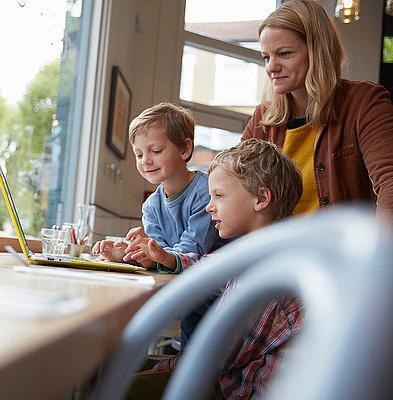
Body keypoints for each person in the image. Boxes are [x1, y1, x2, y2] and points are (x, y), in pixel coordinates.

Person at [125, 138, 304, 399]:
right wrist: (166, 258)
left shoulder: (269, 275)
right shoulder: (253, 252)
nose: (209, 206)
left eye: (219, 196)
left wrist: (149, 371)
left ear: (261, 198)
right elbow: (212, 267)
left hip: (236, 389)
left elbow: (213, 360)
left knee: (115, 386)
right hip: (226, 376)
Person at [242, 0, 393, 221]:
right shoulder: (263, 119)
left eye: (284, 53)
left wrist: (378, 249)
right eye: (267, 57)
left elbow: (389, 183)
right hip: (280, 251)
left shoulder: (364, 103)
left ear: (317, 51)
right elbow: (232, 189)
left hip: (346, 251)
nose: (271, 67)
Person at [92, 102, 222, 268]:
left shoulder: (206, 194)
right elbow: (156, 255)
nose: (145, 160)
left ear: (185, 149)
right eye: (139, 154)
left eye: (156, 151)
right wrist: (127, 255)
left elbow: (193, 251)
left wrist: (153, 255)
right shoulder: (151, 206)